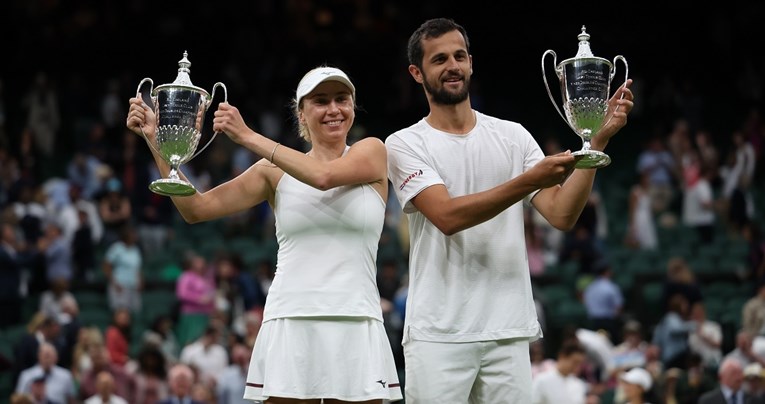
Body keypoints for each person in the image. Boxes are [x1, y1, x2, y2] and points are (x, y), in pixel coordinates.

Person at [384, 17, 633, 402]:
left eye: (460, 56)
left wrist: (596, 140)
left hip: (509, 329)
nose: (453, 66)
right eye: (439, 60)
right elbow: (447, 217)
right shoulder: (404, 144)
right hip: (439, 333)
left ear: (471, 62)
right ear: (417, 73)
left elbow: (561, 215)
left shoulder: (513, 135)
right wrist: (529, 180)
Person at [127, 65, 402, 402]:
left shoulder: (373, 152)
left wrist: (247, 136)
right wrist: (156, 140)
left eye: (341, 99)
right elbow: (195, 209)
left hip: (357, 318)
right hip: (290, 319)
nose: (333, 109)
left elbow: (323, 176)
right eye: (320, 100)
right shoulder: (272, 172)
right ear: (301, 113)